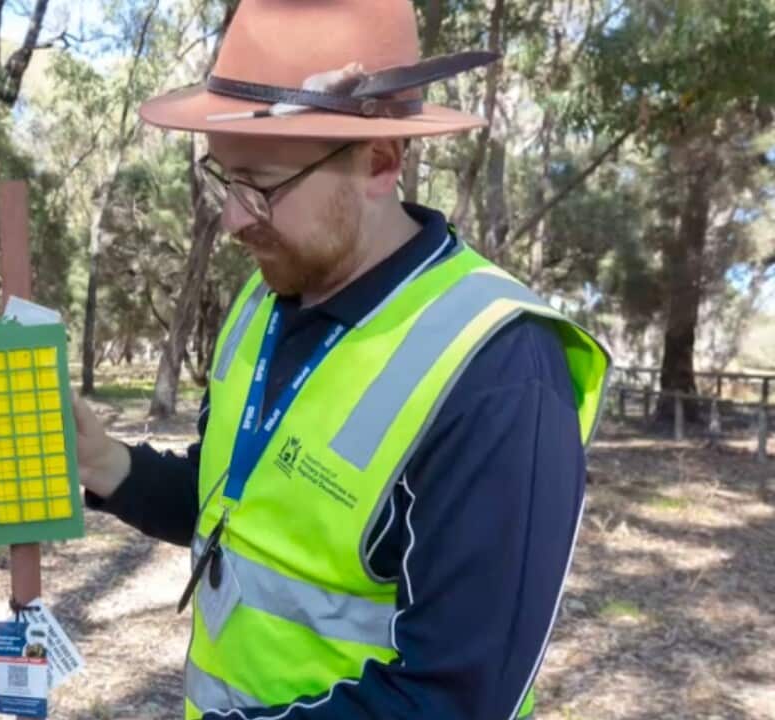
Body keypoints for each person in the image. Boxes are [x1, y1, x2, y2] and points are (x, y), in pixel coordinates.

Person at [70, 1, 610, 719]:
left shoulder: (500, 371)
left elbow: (452, 700)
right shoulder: (264, 301)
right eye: (224, 180)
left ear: (380, 163)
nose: (233, 219)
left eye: (261, 186)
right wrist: (106, 464)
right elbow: (238, 501)